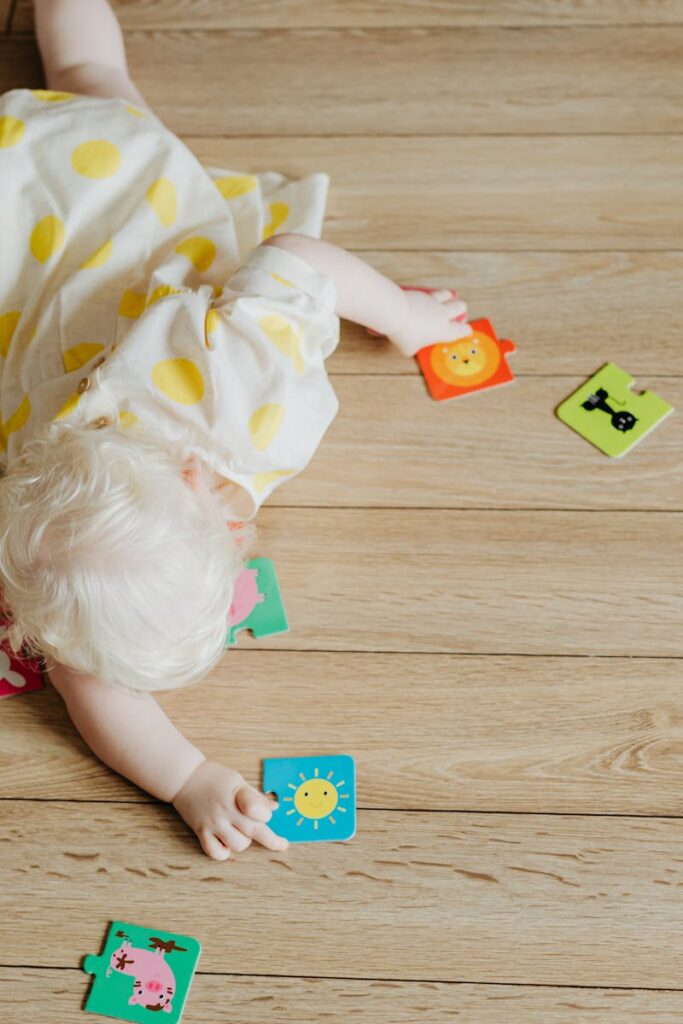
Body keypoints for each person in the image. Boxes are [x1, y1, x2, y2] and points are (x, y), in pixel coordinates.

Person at [0, 0, 471, 860]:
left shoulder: (241, 386)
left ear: (201, 491)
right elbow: (88, 690)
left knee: (97, 88)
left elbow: (304, 260)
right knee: (87, 77)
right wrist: (185, 777)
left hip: (105, 194)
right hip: (32, 221)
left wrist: (407, 318)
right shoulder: (39, 539)